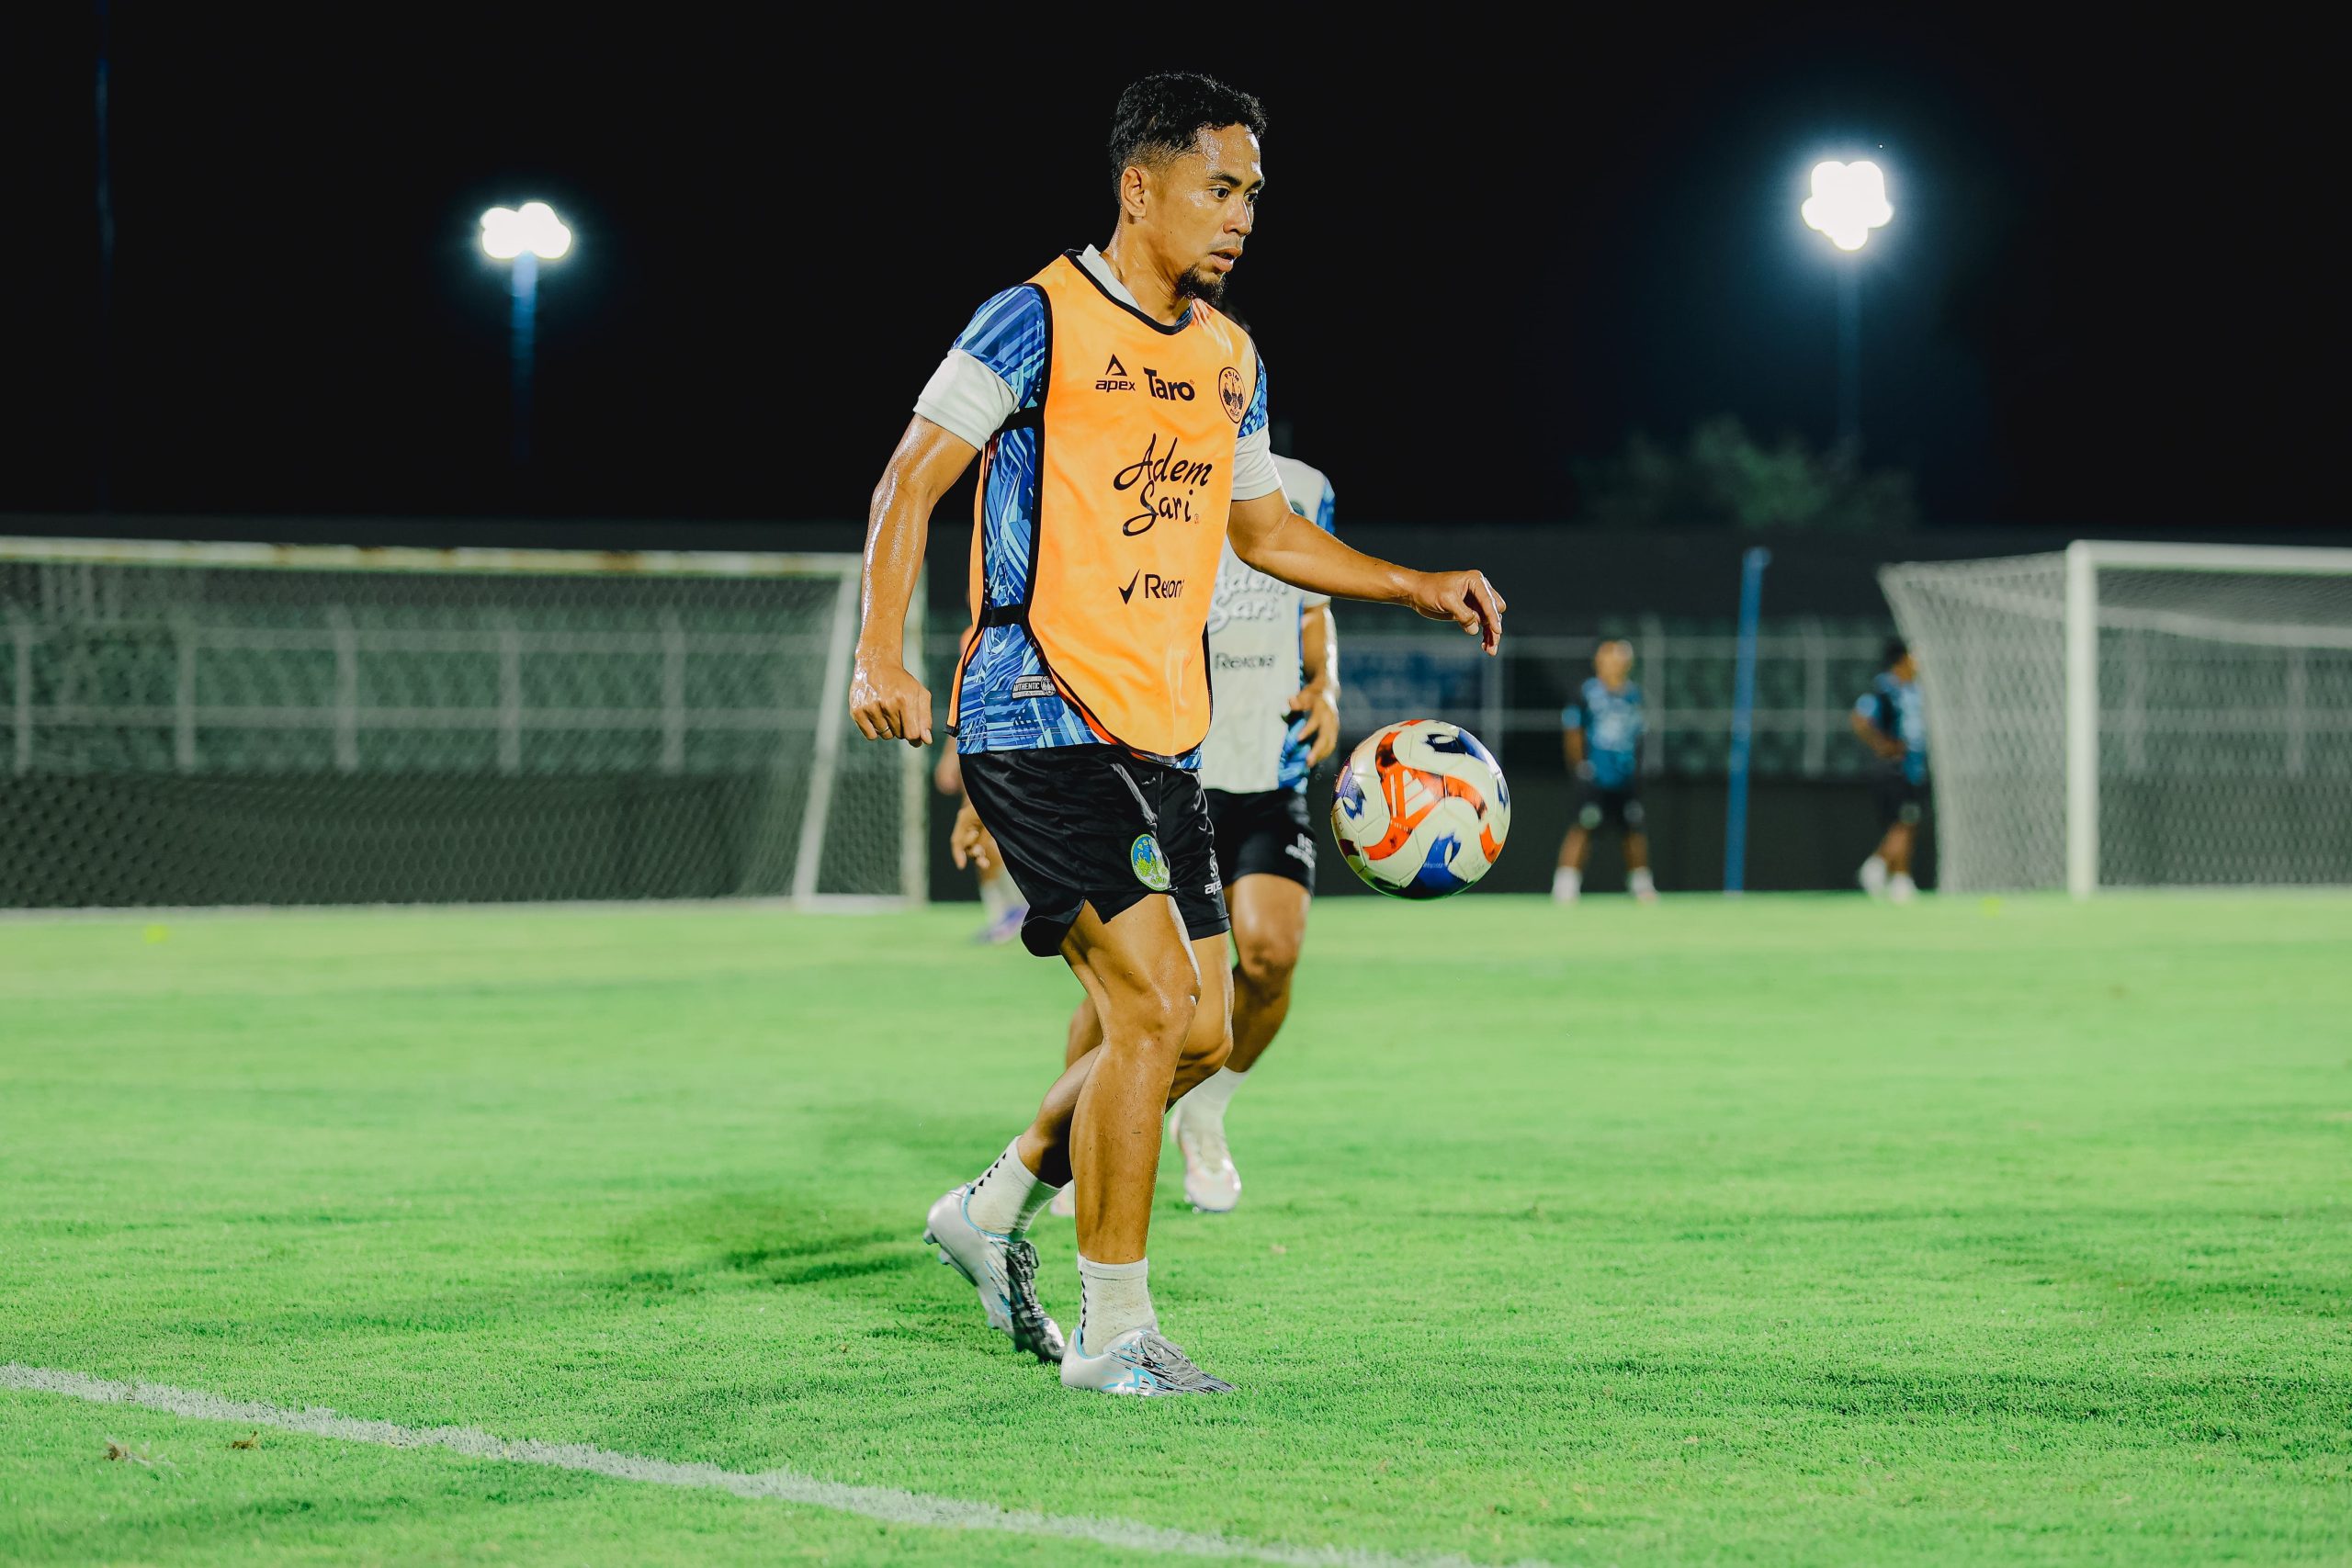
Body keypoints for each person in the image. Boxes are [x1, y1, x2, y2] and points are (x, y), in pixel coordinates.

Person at [846, 73, 1505, 1395]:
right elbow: (910, 475)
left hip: (1164, 733)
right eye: (1222, 186)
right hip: (1036, 711)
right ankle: (1112, 1332)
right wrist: (880, 647)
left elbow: (1266, 531)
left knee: (1199, 1027)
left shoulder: (1229, 357)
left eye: (1254, 193)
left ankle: (990, 1205)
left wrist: (1411, 582)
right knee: (1150, 1004)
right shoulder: (1033, 319)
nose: (1244, 215)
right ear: (1138, 186)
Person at [1049, 450, 1340, 1218]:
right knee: (1132, 977)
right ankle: (1070, 1147)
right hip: (1173, 774)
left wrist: (1327, 684)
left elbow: (1315, 609)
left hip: (1271, 769)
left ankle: (1205, 1114)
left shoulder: (1305, 490)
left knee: (1271, 958)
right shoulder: (1152, 478)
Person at [1553, 639, 1656, 902]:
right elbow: (1574, 732)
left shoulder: (1634, 695)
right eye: (1609, 657)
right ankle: (1565, 885)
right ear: (1599, 661)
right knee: (1583, 826)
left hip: (1624, 776)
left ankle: (1641, 884)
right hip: (1595, 775)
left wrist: (1637, 768)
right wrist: (1580, 767)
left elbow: (1639, 735)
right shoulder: (1587, 693)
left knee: (1632, 829)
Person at [1852, 637, 1928, 901]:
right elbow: (1860, 719)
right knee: (1906, 820)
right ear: (1901, 659)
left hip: (1913, 767)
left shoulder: (1915, 689)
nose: (1917, 661)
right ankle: (1882, 870)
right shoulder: (1885, 689)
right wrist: (1882, 744)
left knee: (1906, 822)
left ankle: (1895, 877)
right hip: (1895, 768)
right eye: (1913, 655)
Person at [935, 750, 1027, 943]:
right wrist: (950, 758)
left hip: (1002, 748)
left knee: (986, 830)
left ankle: (1016, 908)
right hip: (979, 746)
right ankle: (1006, 911)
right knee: (980, 834)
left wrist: (949, 759)